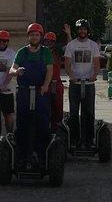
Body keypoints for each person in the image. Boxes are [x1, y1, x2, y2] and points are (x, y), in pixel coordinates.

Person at [8, 23, 53, 164]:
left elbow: (49, 71)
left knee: (42, 122)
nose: (34, 37)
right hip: (24, 92)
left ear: (40, 37)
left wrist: (46, 85)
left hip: (41, 92)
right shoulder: (22, 52)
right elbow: (11, 70)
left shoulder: (45, 52)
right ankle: (21, 154)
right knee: (23, 123)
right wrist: (17, 71)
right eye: (32, 34)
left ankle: (41, 155)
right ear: (28, 36)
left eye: (37, 35)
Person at [63, 19, 100, 147]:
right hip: (75, 84)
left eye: (84, 29)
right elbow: (67, 63)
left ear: (87, 31)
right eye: (80, 29)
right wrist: (71, 75)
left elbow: (97, 64)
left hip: (89, 84)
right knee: (73, 113)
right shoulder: (71, 45)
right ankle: (74, 140)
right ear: (77, 31)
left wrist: (94, 76)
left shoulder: (93, 45)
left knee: (89, 113)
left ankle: (89, 140)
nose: (82, 31)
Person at [43, 30, 67, 132]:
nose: (49, 43)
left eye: (51, 41)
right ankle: (45, 128)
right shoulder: (41, 52)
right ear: (44, 42)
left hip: (56, 83)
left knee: (57, 107)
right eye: (47, 41)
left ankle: (57, 129)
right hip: (44, 83)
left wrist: (68, 34)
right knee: (44, 107)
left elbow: (69, 46)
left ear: (54, 42)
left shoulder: (58, 51)